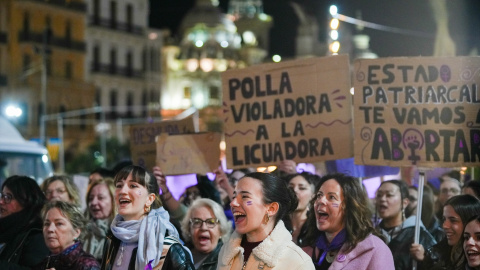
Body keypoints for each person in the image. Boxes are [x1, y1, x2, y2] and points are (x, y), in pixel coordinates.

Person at [101, 165, 194, 270]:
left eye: (132, 186)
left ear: (149, 199)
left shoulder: (168, 248)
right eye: (119, 185)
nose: (122, 191)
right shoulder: (111, 240)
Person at [217, 172, 314, 270]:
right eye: (234, 197)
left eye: (245, 197)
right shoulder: (227, 252)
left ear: (271, 209)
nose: (233, 203)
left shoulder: (298, 263)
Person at [302, 173, 394, 269]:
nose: (321, 200)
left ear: (349, 206)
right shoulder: (307, 248)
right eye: (319, 195)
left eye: (331, 197)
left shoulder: (374, 249)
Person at [375, 180, 436, 270]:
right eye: (379, 195)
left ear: (405, 203)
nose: (382, 199)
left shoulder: (419, 236)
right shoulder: (372, 234)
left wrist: (425, 259)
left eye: (389, 195)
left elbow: (440, 264)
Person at [410, 194, 480, 270]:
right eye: (444, 219)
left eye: (453, 220)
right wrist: (425, 260)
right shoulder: (436, 254)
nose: (445, 226)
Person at [0, 175, 50, 268]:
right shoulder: (5, 228)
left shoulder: (36, 235)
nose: (1, 202)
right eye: (2, 196)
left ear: (26, 201)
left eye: (8, 197)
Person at [35, 200, 100, 270]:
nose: (50, 229)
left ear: (76, 232)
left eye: (59, 223)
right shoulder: (44, 263)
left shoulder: (87, 265)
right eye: (47, 224)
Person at [180, 198, 231, 270]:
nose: (203, 228)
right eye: (197, 222)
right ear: (189, 228)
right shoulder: (178, 254)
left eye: (211, 222)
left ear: (221, 230)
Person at [84, 178, 116, 262]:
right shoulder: (82, 233)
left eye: (100, 198)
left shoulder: (121, 235)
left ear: (114, 201)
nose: (94, 203)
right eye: (91, 198)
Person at [283, 172, 319, 246]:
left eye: (302, 188)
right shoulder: (276, 223)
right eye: (290, 187)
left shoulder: (318, 226)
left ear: (313, 196)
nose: (295, 191)